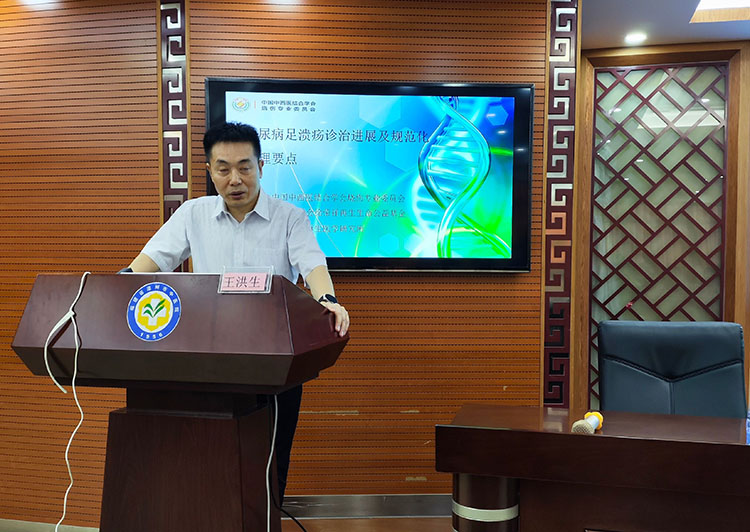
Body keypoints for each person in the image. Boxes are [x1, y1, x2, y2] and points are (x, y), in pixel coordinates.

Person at [127, 121, 350, 502]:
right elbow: (148, 263)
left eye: (245, 167)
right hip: (210, 359)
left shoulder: (290, 217)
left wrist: (327, 299)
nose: (235, 179)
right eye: (223, 168)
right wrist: (116, 287)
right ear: (210, 171)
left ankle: (268, 517)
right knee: (211, 455)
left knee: (272, 459)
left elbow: (313, 265)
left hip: (276, 362)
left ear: (261, 167)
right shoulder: (193, 215)